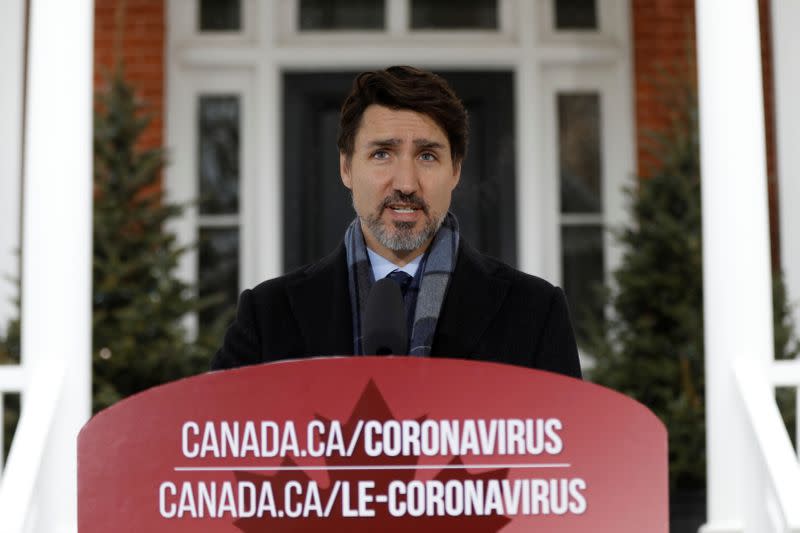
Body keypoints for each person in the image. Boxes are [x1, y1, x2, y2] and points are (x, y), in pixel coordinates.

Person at [212, 66, 581, 378]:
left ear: (455, 170)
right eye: (382, 153)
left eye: (426, 155)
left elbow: (570, 456)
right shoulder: (267, 316)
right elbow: (215, 450)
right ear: (345, 168)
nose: (405, 183)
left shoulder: (535, 313)